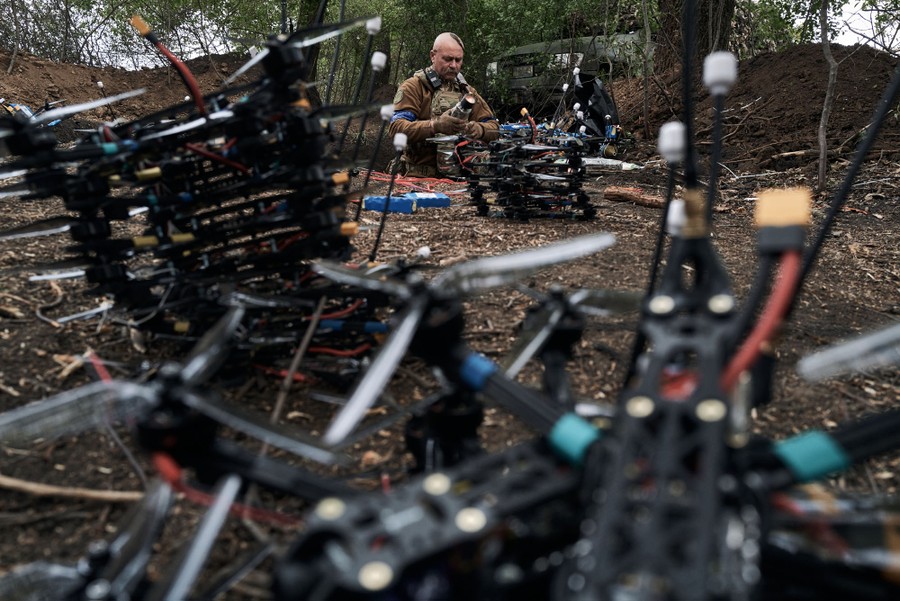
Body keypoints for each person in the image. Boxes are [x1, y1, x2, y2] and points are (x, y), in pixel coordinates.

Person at [389, 32, 500, 177]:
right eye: (448, 59)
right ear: (433, 56)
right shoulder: (414, 87)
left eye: (458, 60)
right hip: (417, 177)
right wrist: (435, 126)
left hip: (458, 176)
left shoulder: (467, 91)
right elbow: (396, 129)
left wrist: (479, 129)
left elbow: (495, 128)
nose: (454, 65)